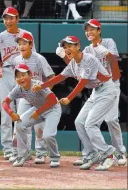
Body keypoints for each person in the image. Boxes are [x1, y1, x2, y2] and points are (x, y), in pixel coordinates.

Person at [35, 36, 117, 171]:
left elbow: (83, 82)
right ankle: (91, 154)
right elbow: (59, 77)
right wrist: (42, 86)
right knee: (79, 122)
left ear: (78, 46)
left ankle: (108, 154)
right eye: (65, 47)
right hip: (96, 92)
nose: (67, 49)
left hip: (107, 90)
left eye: (70, 46)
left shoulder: (89, 59)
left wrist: (69, 98)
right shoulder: (73, 64)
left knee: (90, 124)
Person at [57, 19, 126, 166]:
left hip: (111, 84)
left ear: (99, 30)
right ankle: (90, 153)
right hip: (97, 88)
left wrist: (106, 53)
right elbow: (74, 68)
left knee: (111, 119)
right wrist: (64, 55)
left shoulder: (108, 42)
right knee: (82, 122)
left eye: (92, 29)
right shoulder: (87, 50)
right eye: (87, 30)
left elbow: (114, 62)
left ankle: (119, 152)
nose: (89, 32)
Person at [0, 6, 35, 160]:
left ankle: (24, 148)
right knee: (6, 112)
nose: (8, 21)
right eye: (6, 18)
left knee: (24, 112)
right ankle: (8, 148)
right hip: (6, 73)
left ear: (18, 18)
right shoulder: (0, 37)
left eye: (11, 17)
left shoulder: (26, 35)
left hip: (22, 73)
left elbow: (32, 56)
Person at [9, 32, 56, 165]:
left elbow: (51, 78)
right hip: (25, 96)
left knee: (39, 127)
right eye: (19, 44)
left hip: (40, 97)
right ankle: (20, 153)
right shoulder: (16, 60)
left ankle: (40, 153)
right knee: (19, 122)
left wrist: (46, 93)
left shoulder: (39, 59)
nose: (21, 46)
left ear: (31, 45)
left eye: (24, 43)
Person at [2, 64, 61, 167]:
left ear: (30, 75)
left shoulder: (37, 84)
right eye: (18, 76)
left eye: (23, 75)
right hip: (38, 108)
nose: (20, 78)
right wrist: (11, 113)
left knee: (47, 135)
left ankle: (54, 157)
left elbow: (52, 100)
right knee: (19, 124)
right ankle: (24, 154)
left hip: (53, 109)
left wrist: (38, 112)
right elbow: (5, 102)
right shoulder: (18, 88)